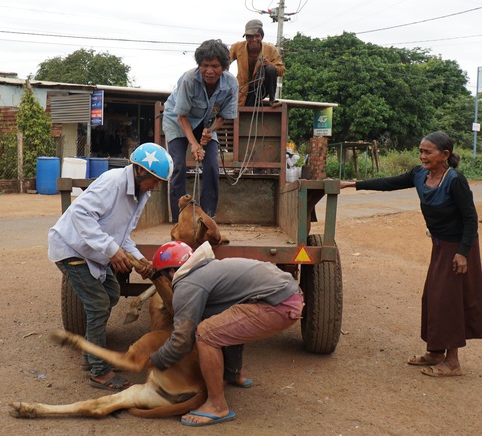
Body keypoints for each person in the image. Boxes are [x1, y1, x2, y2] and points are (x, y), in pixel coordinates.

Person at [339, 131, 482, 377]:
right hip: (440, 246)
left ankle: (452, 363)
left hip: (458, 248)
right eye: (421, 151)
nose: (422, 156)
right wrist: (353, 184)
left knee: (448, 301)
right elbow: (389, 183)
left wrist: (462, 253)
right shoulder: (420, 175)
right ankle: (435, 353)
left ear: (445, 155)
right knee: (432, 297)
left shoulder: (455, 181)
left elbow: (470, 218)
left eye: (428, 152)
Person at [48, 142, 174, 391]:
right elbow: (80, 213)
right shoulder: (113, 182)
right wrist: (111, 250)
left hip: (92, 252)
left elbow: (123, 235)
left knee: (111, 294)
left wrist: (140, 260)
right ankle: (98, 370)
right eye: (155, 180)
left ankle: (89, 354)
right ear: (140, 172)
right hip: (72, 248)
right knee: (98, 305)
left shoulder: (141, 194)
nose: (156, 186)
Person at [148, 241, 304, 426]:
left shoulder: (187, 283)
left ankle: (217, 406)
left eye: (163, 277)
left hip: (278, 304)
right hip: (289, 295)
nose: (165, 282)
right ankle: (234, 374)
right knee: (223, 323)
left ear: (171, 272)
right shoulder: (209, 269)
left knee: (206, 334)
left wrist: (155, 361)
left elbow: (182, 340)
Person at [162, 39, 238, 223]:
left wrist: (209, 131)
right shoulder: (189, 79)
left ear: (224, 67)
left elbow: (224, 116)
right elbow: (181, 117)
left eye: (215, 66)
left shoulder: (231, 84)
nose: (209, 71)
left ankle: (207, 216)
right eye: (204, 65)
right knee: (178, 166)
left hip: (207, 124)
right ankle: (181, 219)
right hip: (177, 121)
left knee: (212, 165)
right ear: (199, 65)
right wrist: (194, 145)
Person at [230, 19, 286, 107]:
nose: (254, 39)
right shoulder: (237, 47)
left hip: (261, 87)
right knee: (245, 107)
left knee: (270, 69)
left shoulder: (270, 49)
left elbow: (281, 70)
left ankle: (272, 99)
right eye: (250, 36)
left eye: (257, 36)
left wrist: (269, 64)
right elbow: (224, 62)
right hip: (242, 87)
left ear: (262, 36)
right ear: (246, 37)